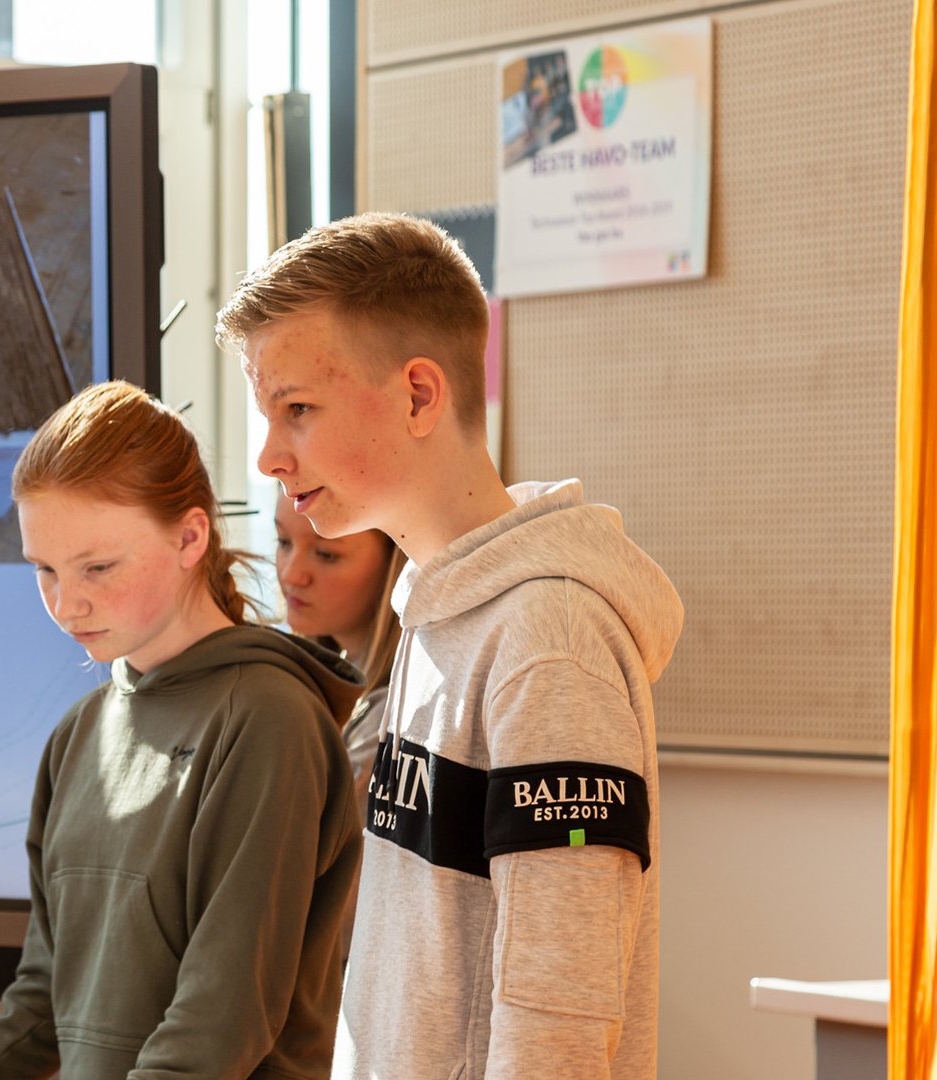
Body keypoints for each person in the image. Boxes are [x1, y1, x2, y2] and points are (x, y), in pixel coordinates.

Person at [218, 212, 683, 1079]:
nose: (269, 456)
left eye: (298, 410)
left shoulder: (550, 643)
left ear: (419, 395)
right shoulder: (435, 615)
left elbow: (560, 1023)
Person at [0, 379, 364, 1080]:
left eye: (98, 567)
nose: (68, 604)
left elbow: (219, 1027)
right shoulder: (80, 736)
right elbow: (42, 1005)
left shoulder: (267, 721)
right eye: (44, 570)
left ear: (191, 536)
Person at [272, 497, 406, 815]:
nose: (291, 575)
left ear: (396, 563)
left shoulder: (392, 719)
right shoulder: (309, 684)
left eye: (326, 554)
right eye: (283, 542)